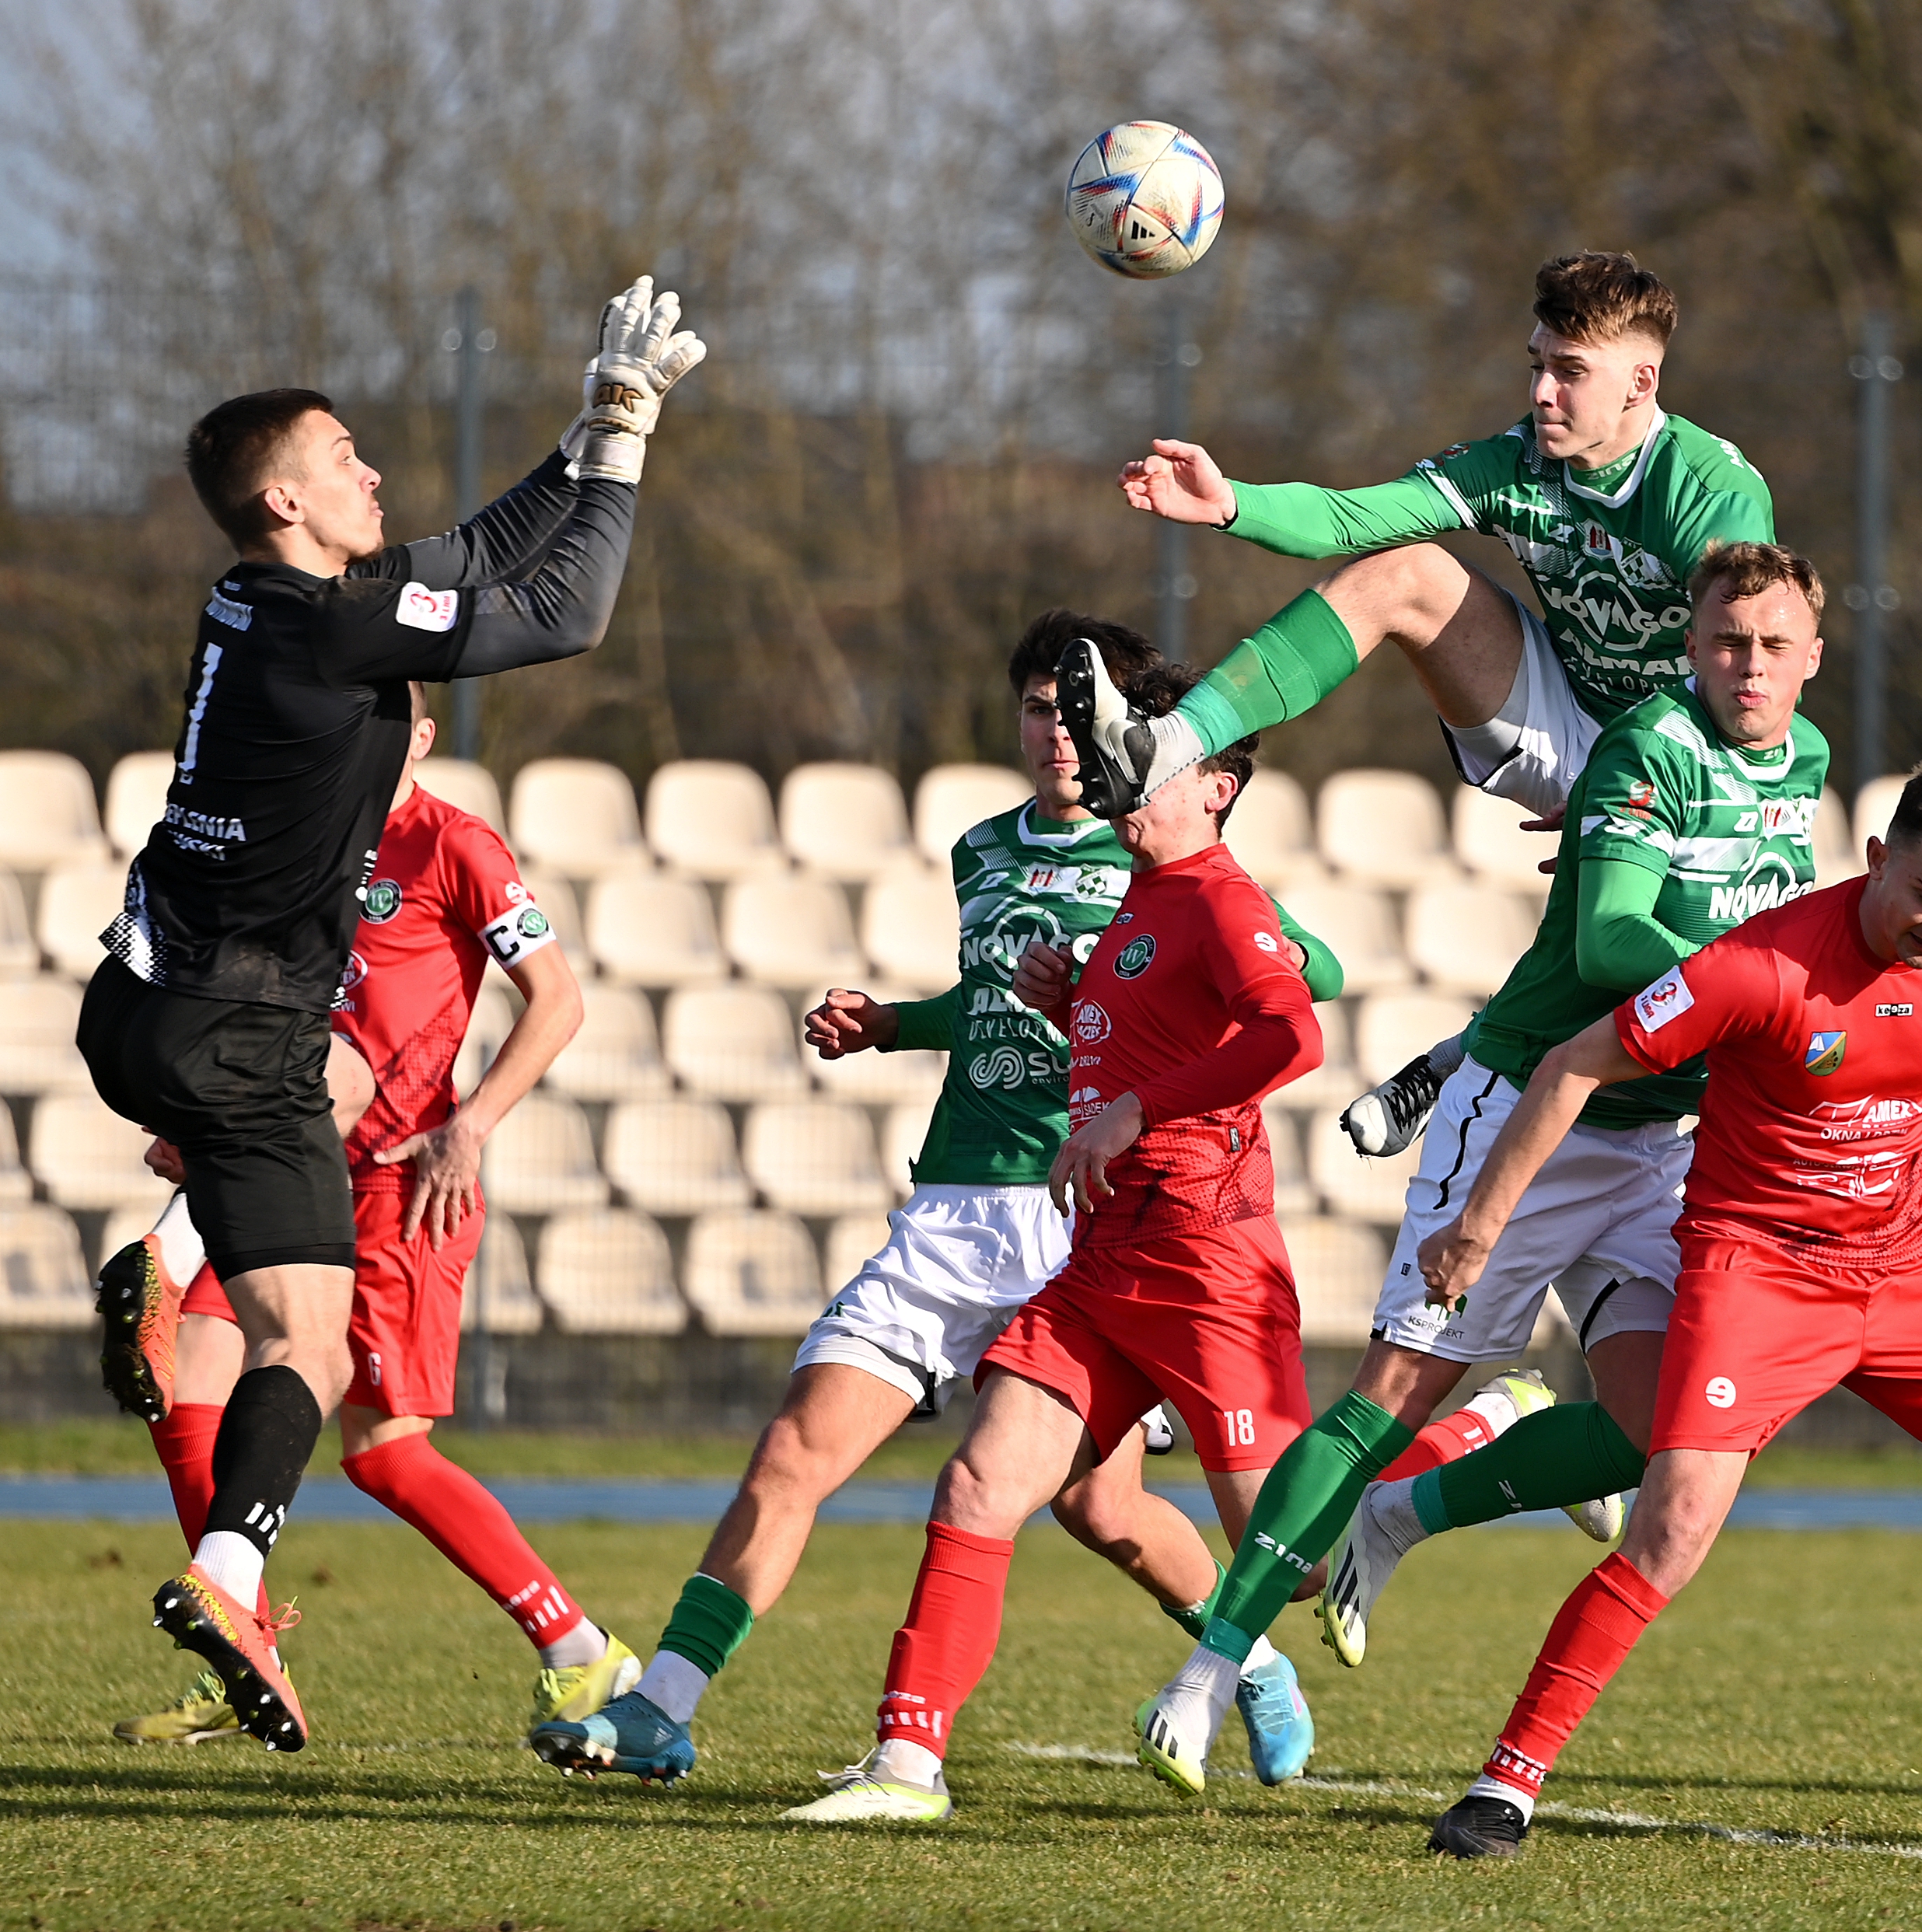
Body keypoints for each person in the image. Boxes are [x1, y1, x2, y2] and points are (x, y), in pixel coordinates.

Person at [530, 619, 1466, 1793]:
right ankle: (674, 1704)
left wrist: (1148, 1007)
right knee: (801, 1449)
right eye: (1039, 708)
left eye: (1083, 713)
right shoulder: (982, 850)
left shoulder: (1173, 866)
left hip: (1081, 1215)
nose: (1061, 733)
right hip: (957, 1206)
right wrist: (891, 1024)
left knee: (1108, 1513)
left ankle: (1258, 1652)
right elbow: (987, 1006)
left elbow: (1296, 981)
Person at [75, 277, 701, 1752]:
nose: (373, 471)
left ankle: (183, 1293)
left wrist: (584, 428)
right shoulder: (326, 632)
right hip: (240, 1034)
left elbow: (474, 551)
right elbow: (566, 607)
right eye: (347, 455)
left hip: (140, 1007)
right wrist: (625, 442)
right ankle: (229, 1575)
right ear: (287, 498)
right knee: (316, 1344)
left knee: (253, 1352)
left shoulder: (260, 597)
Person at [1408, 751, 1922, 1859]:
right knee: (1672, 1529)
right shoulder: (1756, 966)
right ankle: (1504, 1787)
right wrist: (1475, 1223)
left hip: (1902, 1274)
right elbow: (1569, 1064)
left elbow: (1904, 1087)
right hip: (1754, 1274)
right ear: (1872, 859)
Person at [1127, 540, 1834, 1796]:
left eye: (1775, 645)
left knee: (1660, 1430)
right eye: (1728, 641)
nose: (1750, 666)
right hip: (1531, 1111)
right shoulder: (1651, 749)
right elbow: (1616, 937)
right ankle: (1212, 1667)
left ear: (1813, 657)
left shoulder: (1810, 763)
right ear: (1693, 645)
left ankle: (1406, 1515)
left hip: (1664, 1142)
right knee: (1385, 1393)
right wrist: (1764, 982)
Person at [756, 662, 1336, 1822]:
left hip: (1206, 1262)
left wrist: (1133, 1110)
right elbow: (1147, 1026)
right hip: (1103, 1258)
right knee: (979, 1482)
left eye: (1150, 759)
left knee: (1305, 1553)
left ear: (1215, 787)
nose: (1119, 773)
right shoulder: (1133, 896)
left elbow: (1292, 1036)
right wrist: (1073, 994)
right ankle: (906, 1767)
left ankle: (1483, 1431)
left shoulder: (1223, 898)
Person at [1069, 251, 1779, 1153]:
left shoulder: (1707, 491)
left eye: (1570, 371)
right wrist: (1230, 504)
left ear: (1643, 381)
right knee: (1410, 573)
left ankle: (1459, 1062)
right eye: (1537, 364)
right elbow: (1353, 518)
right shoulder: (1518, 463)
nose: (1543, 393)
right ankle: (1170, 743)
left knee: (1678, 999)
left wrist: (1632, 793)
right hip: (1568, 724)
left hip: (1689, 760)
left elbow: (1751, 672)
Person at [103, 682, 622, 1745]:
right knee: (183, 1383)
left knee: (384, 1452)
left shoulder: (454, 845)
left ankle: (581, 1653)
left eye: (383, 727)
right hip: (281, 1161)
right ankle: (237, 1627)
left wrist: (470, 1124)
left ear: (421, 737)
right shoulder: (303, 839)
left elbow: (558, 997)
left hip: (398, 1179)